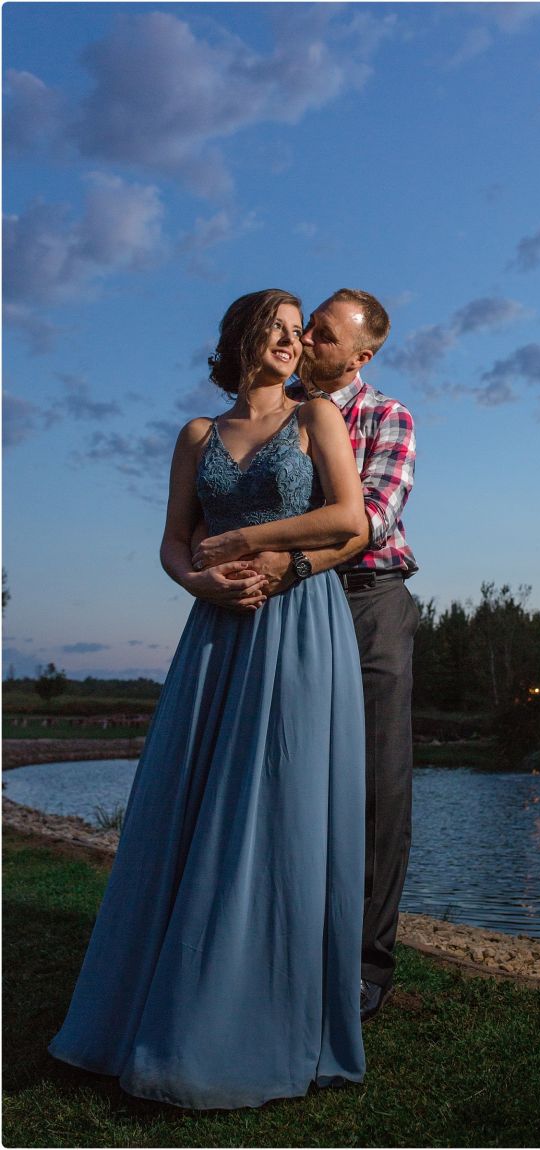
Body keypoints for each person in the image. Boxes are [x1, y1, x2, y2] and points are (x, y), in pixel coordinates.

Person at [48, 289, 369, 1110]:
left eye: (300, 333)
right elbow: (172, 539)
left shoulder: (317, 418)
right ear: (242, 337)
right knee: (187, 801)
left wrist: (252, 540)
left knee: (280, 804)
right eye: (279, 329)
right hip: (216, 632)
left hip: (299, 626)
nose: (293, 342)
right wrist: (199, 581)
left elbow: (351, 519)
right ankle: (155, 1002)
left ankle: (267, 1013)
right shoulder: (198, 434)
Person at [192, 289, 418, 1024]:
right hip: (283, 605)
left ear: (361, 355)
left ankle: (365, 967)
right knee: (280, 773)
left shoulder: (385, 417)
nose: (308, 341)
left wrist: (279, 557)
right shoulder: (274, 411)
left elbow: (368, 520)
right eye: (305, 327)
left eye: (323, 335)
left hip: (367, 601)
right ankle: (270, 942)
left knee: (374, 784)